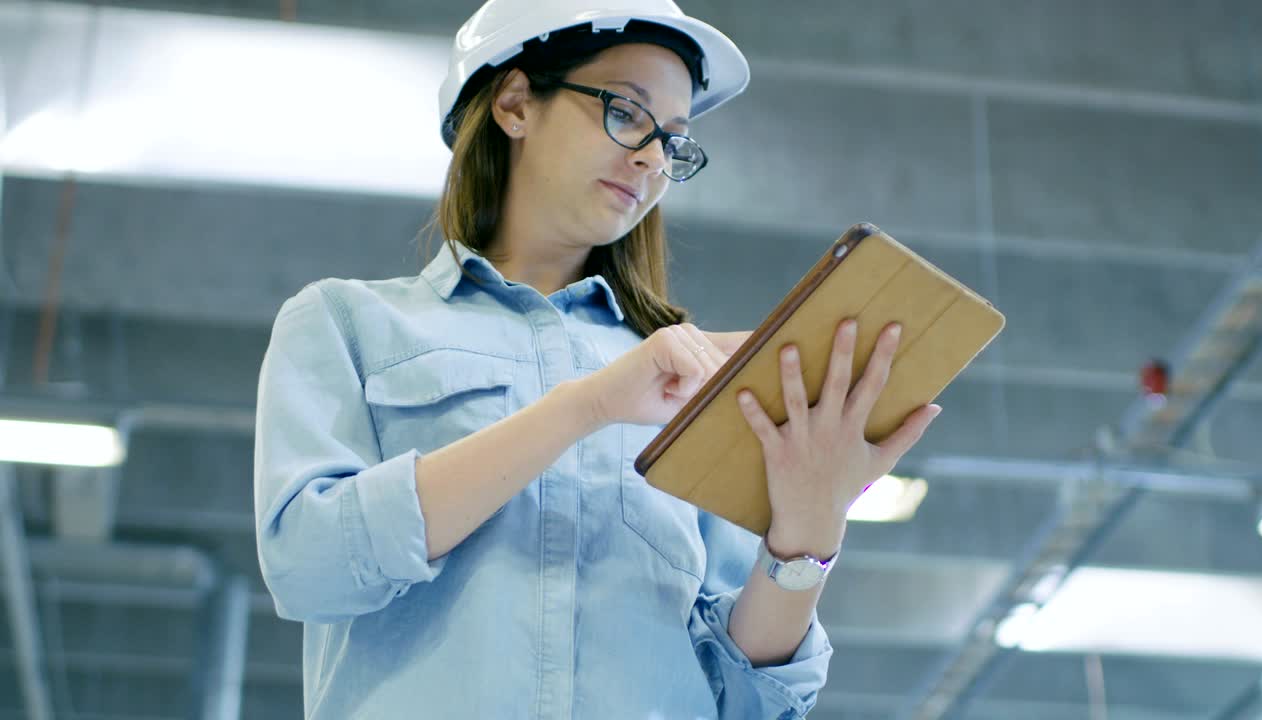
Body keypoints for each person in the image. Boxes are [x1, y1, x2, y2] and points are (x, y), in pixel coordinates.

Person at [252, 1, 941, 718]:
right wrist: (586, 405)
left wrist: (809, 531)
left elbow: (750, 700)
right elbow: (310, 566)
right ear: (515, 104)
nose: (651, 158)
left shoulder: (691, 377)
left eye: (672, 141)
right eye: (626, 112)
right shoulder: (347, 323)